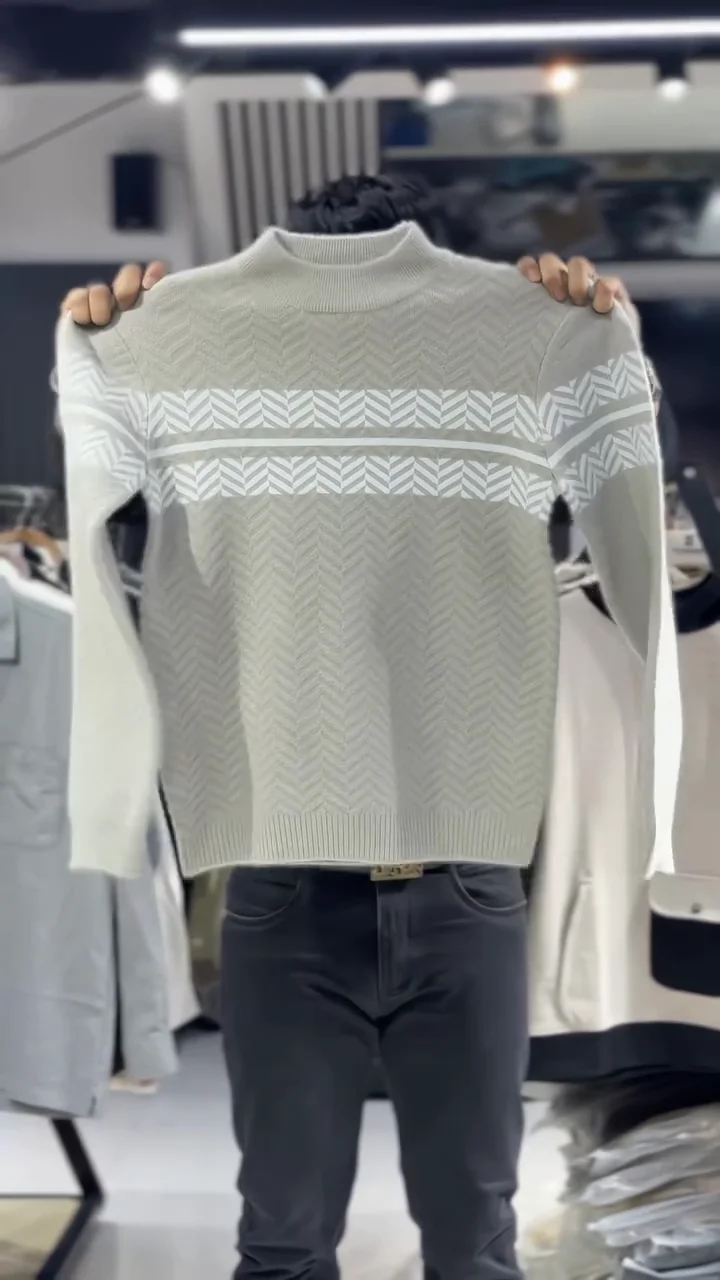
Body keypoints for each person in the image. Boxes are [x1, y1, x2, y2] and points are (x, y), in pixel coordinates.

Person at [56, 176, 668, 1280]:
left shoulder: (539, 333)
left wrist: (594, 336)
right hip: (384, 883)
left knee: (306, 1247)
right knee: (447, 1247)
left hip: (384, 880)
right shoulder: (157, 340)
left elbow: (640, 575)